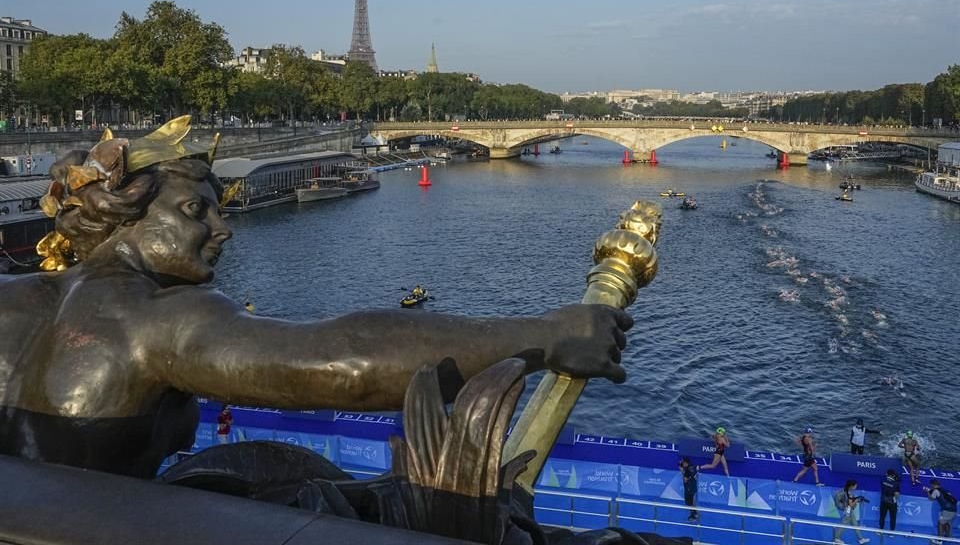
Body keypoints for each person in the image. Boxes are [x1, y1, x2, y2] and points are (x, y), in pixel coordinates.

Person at [0, 119, 634, 479]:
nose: (222, 230)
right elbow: (342, 362)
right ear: (126, 216)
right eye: (197, 210)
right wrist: (548, 336)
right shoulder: (154, 318)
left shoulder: (18, 299)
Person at [833, 479, 870, 545]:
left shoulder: (845, 490)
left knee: (855, 524)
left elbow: (848, 501)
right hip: (848, 510)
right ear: (851, 486)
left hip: (848, 509)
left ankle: (861, 539)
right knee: (844, 524)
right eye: (855, 486)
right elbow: (851, 504)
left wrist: (857, 500)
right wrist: (857, 500)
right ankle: (837, 539)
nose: (856, 487)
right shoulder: (849, 493)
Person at [924, 479, 957, 544]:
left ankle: (939, 540)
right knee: (947, 522)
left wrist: (927, 491)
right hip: (954, 509)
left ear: (933, 485)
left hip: (947, 510)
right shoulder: (945, 490)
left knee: (940, 523)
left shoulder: (936, 490)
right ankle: (948, 537)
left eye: (931, 485)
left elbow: (931, 498)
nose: (931, 486)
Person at [679, 456, 699, 521]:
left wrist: (682, 472)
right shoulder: (692, 467)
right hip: (693, 488)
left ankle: (693, 516)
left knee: (690, 503)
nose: (682, 464)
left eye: (683, 463)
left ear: (686, 463)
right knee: (692, 503)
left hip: (689, 489)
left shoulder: (687, 471)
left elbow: (685, 480)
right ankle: (695, 513)